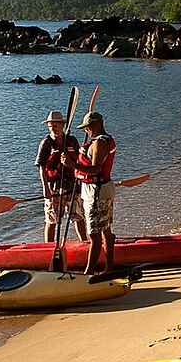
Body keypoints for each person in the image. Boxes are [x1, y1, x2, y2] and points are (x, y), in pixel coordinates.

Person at [74, 111, 117, 276]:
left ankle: (89, 273)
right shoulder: (102, 140)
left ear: (97, 125)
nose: (86, 131)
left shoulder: (100, 143)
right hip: (101, 189)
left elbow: (95, 169)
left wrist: (73, 165)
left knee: (94, 233)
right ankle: (109, 267)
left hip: (97, 191)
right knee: (105, 228)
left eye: (88, 127)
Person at [37, 109, 82, 261]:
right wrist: (45, 188)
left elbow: (79, 161)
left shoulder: (72, 140)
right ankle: (48, 249)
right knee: (52, 219)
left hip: (72, 185)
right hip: (54, 187)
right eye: (50, 125)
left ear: (62, 125)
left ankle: (84, 244)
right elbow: (41, 167)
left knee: (78, 217)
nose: (53, 128)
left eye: (56, 125)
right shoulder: (46, 143)